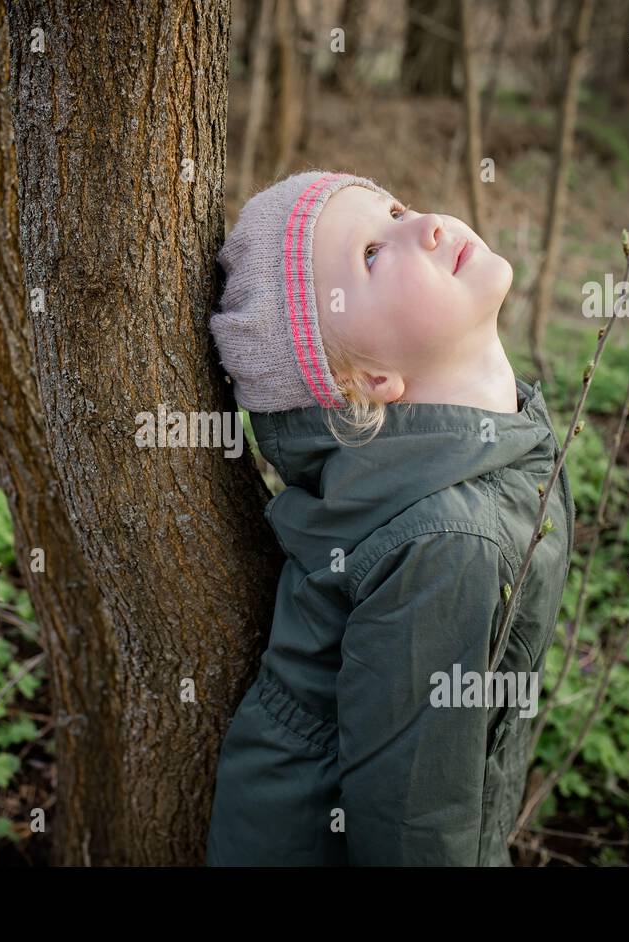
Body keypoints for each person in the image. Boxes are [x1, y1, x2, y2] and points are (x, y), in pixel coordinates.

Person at [204, 169, 576, 866]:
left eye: (397, 209)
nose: (427, 223)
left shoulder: (482, 466)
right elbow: (415, 820)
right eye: (372, 254)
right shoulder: (444, 542)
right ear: (367, 384)